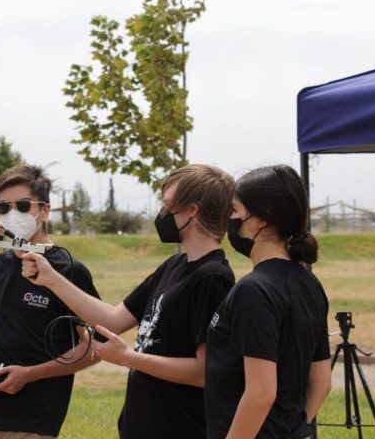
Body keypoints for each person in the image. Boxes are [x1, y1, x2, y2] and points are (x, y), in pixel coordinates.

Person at [22, 164, 236, 438]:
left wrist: (128, 358)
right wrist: (50, 278)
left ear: (193, 210)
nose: (162, 213)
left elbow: (204, 372)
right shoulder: (174, 265)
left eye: (168, 205)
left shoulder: (213, 277)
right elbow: (112, 319)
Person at [0, 165, 100, 439]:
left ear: (45, 210)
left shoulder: (68, 271)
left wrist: (30, 374)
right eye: (4, 208)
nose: (13, 214)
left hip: (35, 421)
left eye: (23, 205)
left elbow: (94, 349)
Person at [205, 164, 332, 438]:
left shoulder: (254, 290)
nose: (231, 219)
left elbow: (261, 393)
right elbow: (322, 383)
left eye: (236, 211)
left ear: (261, 219)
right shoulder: (310, 284)